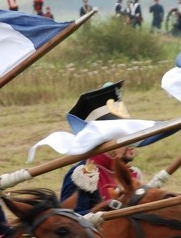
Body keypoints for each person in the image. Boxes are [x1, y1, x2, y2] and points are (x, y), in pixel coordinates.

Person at [60, 82, 140, 214]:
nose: (132, 143)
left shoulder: (132, 173)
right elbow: (71, 221)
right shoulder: (82, 176)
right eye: (123, 137)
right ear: (104, 141)